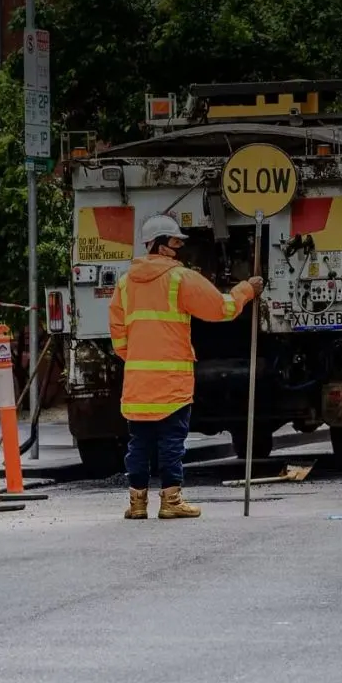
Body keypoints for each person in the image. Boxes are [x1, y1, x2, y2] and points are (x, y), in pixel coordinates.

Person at [108, 214, 264, 520]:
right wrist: (248, 289)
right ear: (164, 245)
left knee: (138, 444)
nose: (177, 249)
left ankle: (137, 504)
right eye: (175, 243)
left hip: (138, 384)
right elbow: (223, 308)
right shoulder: (179, 278)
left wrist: (142, 360)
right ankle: (171, 501)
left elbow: (119, 340)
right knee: (171, 442)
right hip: (172, 383)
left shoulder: (125, 284)